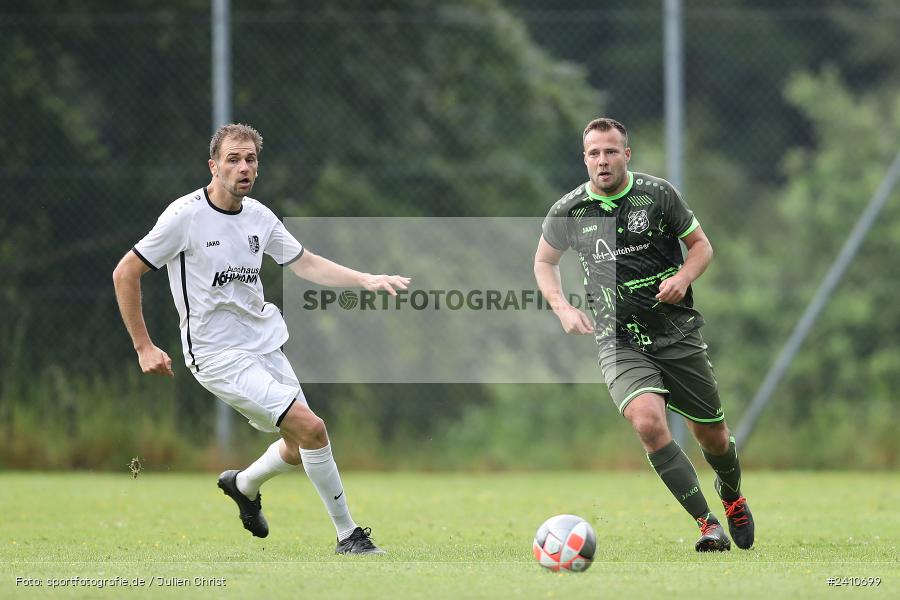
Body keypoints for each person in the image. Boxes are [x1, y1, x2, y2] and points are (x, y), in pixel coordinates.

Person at [113, 123, 409, 555]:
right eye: (233, 158)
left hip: (264, 344)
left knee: (296, 443)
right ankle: (349, 536)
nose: (243, 167)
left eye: (250, 158)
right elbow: (126, 273)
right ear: (213, 166)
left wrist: (364, 279)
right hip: (217, 355)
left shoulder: (259, 217)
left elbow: (304, 262)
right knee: (313, 428)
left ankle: (244, 484)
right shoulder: (185, 216)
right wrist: (143, 345)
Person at [533, 117, 754, 552]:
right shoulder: (570, 210)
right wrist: (562, 307)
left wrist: (684, 278)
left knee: (714, 437)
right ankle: (707, 524)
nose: (602, 160)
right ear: (584, 158)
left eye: (611, 151)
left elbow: (702, 246)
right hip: (619, 341)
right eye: (594, 153)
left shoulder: (657, 195)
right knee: (649, 424)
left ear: (626, 155)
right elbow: (544, 262)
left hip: (677, 335)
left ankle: (731, 497)